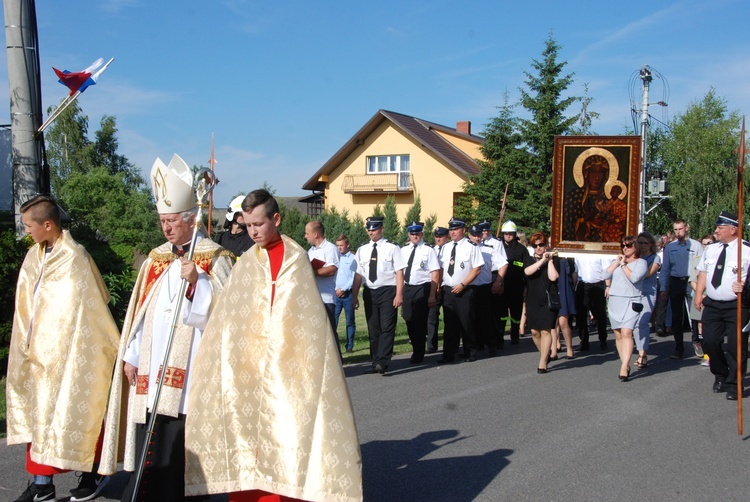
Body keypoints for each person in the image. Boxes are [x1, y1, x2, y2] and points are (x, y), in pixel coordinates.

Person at [183, 189, 362, 501]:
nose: (253, 232)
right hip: (251, 369)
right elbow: (230, 312)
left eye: (258, 224)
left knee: (286, 438)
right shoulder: (247, 262)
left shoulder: (295, 259)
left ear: (276, 219)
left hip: (288, 369)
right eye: (248, 225)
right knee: (248, 440)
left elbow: (305, 324)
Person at [100, 154, 233, 501]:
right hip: (151, 367)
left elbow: (226, 314)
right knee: (151, 435)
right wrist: (130, 355)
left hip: (190, 373)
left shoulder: (214, 258)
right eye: (162, 221)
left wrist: (197, 284)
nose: (167, 228)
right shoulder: (157, 258)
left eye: (172, 221)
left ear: (192, 219)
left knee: (178, 439)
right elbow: (142, 314)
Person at [6, 195, 120, 502]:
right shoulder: (34, 255)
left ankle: (92, 471)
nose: (26, 230)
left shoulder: (76, 256)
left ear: (47, 224)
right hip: (38, 354)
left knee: (80, 411)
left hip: (72, 354)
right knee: (39, 419)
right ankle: (41, 484)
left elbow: (91, 305)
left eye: (29, 225)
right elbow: (27, 303)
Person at [694, 211, 750, 401]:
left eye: (720, 228)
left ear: (733, 230)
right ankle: (720, 373)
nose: (716, 231)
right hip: (712, 304)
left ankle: (735, 384)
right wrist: (699, 294)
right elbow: (703, 272)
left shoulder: (747, 250)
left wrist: (744, 286)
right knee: (709, 341)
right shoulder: (712, 249)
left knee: (736, 347)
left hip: (737, 306)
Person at [352, 216, 406, 375]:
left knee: (387, 327)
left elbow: (399, 272)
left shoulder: (392, 248)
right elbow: (358, 275)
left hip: (388, 291)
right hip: (370, 291)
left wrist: (399, 294)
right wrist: (354, 296)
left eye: (373, 229)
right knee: (373, 328)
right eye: (368, 229)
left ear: (381, 229)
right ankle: (375, 360)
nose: (370, 232)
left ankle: (383, 361)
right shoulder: (362, 250)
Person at [437, 217, 485, 363]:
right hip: (448, 289)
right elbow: (441, 268)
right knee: (449, 324)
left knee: (466, 322)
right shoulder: (445, 247)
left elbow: (477, 269)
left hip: (464, 289)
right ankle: (448, 354)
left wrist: (463, 284)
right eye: (451, 229)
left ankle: (470, 351)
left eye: (456, 229)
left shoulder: (471, 247)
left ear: (463, 230)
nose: (453, 232)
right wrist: (439, 286)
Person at [603, 235, 647, 382]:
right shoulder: (618, 262)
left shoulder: (641, 263)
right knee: (618, 335)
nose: (625, 248)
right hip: (615, 300)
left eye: (629, 245)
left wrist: (623, 265)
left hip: (631, 301)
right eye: (623, 245)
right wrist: (617, 262)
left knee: (627, 332)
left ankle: (624, 366)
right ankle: (624, 363)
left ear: (636, 247)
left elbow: (634, 278)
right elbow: (604, 274)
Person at [660, 218, 702, 359]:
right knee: (677, 317)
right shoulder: (670, 247)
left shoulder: (696, 245)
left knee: (696, 314)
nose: (678, 232)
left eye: (680, 229)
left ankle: (697, 341)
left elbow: (702, 268)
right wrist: (663, 288)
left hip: (692, 282)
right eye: (676, 229)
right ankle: (679, 348)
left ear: (687, 228)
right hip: (676, 281)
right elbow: (665, 269)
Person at [400, 221, 440, 363]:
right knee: (408, 317)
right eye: (412, 234)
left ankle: (418, 352)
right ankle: (416, 345)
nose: (415, 236)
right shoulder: (403, 250)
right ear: (409, 234)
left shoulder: (428, 250)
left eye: (417, 233)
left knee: (419, 320)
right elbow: (398, 272)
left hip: (423, 287)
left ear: (422, 234)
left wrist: (431, 295)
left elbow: (435, 272)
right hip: (407, 288)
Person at [468, 223, 508, 357]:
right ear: (469, 235)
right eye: (474, 235)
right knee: (471, 318)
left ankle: (492, 345)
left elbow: (503, 264)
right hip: (469, 288)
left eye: (479, 235)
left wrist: (498, 281)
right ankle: (475, 345)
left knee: (486, 319)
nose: (477, 238)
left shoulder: (488, 250)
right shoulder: (465, 249)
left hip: (484, 287)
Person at [523, 233, 560, 373]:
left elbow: (553, 277)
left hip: (548, 300)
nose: (538, 248)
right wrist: (542, 261)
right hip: (533, 299)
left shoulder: (555, 259)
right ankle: (545, 353)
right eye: (535, 246)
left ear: (546, 245)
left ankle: (542, 361)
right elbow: (527, 272)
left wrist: (549, 261)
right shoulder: (528, 259)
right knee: (534, 331)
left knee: (545, 330)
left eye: (541, 245)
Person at [563, 153, 611, 242]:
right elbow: (568, 223)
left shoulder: (608, 198)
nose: (597, 177)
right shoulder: (574, 195)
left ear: (605, 175)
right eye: (593, 172)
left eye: (600, 172)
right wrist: (583, 220)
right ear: (586, 173)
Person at [304, 220, 339, 339]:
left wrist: (312, 272)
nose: (305, 236)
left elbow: (332, 269)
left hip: (327, 298)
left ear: (315, 234)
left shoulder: (330, 248)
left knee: (330, 334)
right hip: (313, 298)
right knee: (316, 334)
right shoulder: (310, 251)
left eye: (307, 233)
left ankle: (336, 357)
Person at [633, 232, 661, 369]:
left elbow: (648, 274)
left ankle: (642, 354)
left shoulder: (655, 258)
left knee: (642, 323)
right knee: (632, 324)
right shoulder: (635, 257)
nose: (642, 246)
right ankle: (639, 349)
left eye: (644, 243)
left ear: (651, 244)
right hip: (633, 293)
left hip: (648, 293)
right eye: (640, 243)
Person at [498, 221, 527, 346]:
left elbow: (525, 267)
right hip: (501, 286)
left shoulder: (521, 249)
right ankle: (499, 336)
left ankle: (515, 334)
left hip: (517, 286)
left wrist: (514, 264)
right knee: (501, 313)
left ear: (515, 234)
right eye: (506, 233)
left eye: (510, 233)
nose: (508, 235)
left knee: (516, 312)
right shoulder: (499, 248)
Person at [574, 255, 611, 351]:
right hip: (582, 284)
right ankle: (584, 341)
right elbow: (576, 271)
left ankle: (603, 339)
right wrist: (574, 287)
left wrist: (608, 286)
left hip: (598, 284)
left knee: (600, 314)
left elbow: (606, 270)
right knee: (581, 314)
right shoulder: (578, 253)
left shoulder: (600, 253)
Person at [689, 234, 716, 360]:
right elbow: (692, 279)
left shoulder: (718, 258)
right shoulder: (697, 259)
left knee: (711, 324)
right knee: (700, 322)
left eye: (710, 243)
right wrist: (700, 293)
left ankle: (713, 349)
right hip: (699, 294)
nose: (707, 246)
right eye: (705, 244)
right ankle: (704, 349)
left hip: (714, 295)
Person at [427, 226, 450, 353]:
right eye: (436, 236)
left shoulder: (450, 250)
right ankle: (431, 345)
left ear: (447, 237)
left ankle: (450, 344)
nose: (438, 239)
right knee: (432, 317)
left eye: (441, 236)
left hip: (446, 286)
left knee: (449, 317)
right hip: (434, 288)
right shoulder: (432, 250)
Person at [334, 234, 357, 353]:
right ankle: (334, 346)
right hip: (335, 295)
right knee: (333, 320)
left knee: (350, 321)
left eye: (341, 245)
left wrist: (343, 289)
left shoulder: (353, 258)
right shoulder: (335, 257)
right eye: (337, 245)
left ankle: (349, 345)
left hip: (348, 295)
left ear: (347, 245)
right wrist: (337, 289)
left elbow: (354, 277)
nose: (339, 248)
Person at [551, 257, 577, 361]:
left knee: (563, 322)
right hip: (552, 288)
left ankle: (569, 348)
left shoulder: (566, 258)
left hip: (564, 287)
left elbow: (573, 272)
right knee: (552, 322)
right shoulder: (548, 257)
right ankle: (554, 349)